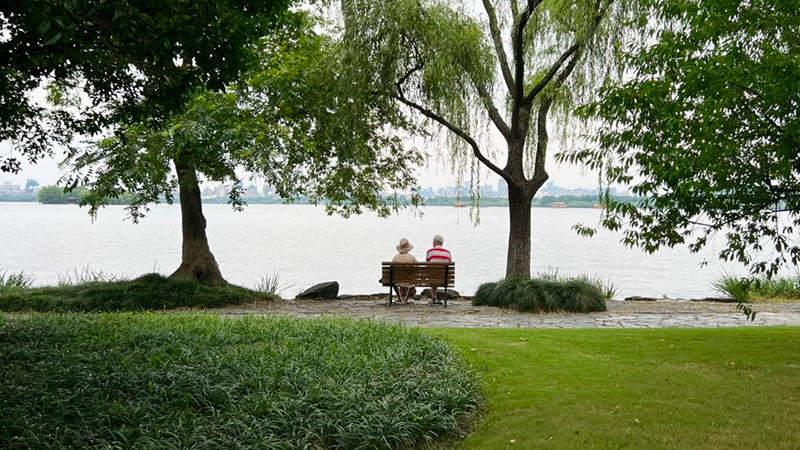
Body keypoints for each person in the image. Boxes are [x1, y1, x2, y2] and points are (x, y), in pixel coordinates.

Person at [426, 234, 452, 304]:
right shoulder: (447, 252)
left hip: (433, 278)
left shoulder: (430, 252)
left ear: (434, 243)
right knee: (437, 274)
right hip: (444, 278)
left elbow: (427, 266)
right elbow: (449, 265)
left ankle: (433, 298)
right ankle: (434, 297)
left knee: (433, 275)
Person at [392, 238, 417, 303]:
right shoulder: (412, 258)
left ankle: (399, 298)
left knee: (392, 280)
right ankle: (406, 298)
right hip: (410, 280)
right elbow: (417, 268)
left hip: (397, 280)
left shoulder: (396, 258)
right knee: (414, 278)